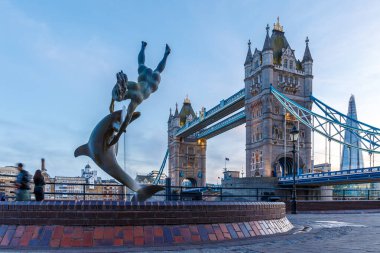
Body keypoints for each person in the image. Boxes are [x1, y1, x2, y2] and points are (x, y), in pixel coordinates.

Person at [108, 41, 171, 146]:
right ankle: (145, 47)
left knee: (157, 70)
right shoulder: (132, 86)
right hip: (147, 82)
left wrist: (117, 137)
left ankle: (163, 53)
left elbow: (127, 119)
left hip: (147, 84)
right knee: (144, 66)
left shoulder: (136, 98)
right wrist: (112, 103)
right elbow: (118, 90)